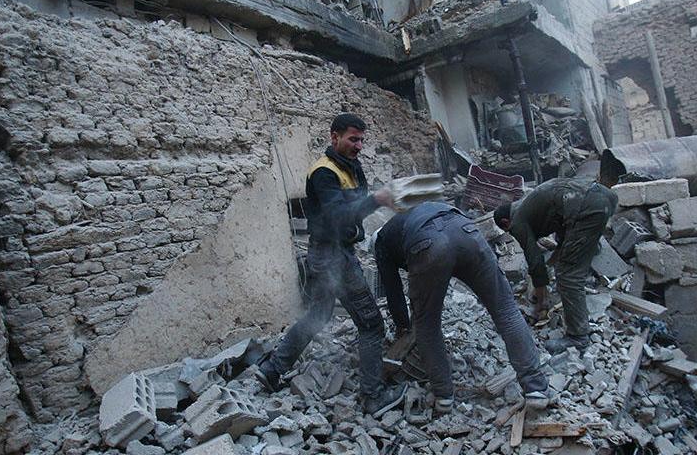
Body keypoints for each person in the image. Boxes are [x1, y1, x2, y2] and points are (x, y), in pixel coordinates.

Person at [254, 113, 405, 416]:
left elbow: (354, 205)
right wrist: (378, 199)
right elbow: (338, 216)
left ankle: (273, 368)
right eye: (353, 139)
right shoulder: (324, 172)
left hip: (329, 254)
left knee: (319, 314)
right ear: (334, 137)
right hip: (335, 257)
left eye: (362, 139)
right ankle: (373, 396)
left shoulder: (350, 166)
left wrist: (379, 197)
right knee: (371, 324)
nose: (359, 145)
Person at [373, 201, 550, 412]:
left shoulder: (381, 243)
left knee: (426, 325)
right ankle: (535, 388)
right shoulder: (410, 215)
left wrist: (403, 327)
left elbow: (393, 292)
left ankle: (444, 396)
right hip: (467, 231)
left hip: (428, 242)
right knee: (505, 309)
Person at [493, 177, 618, 354]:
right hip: (604, 196)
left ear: (506, 223)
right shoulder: (528, 204)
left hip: (588, 207)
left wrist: (540, 296)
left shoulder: (517, 221)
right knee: (568, 245)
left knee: (567, 275)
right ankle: (589, 249)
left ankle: (578, 337)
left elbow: (534, 259)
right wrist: (554, 261)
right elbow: (563, 228)